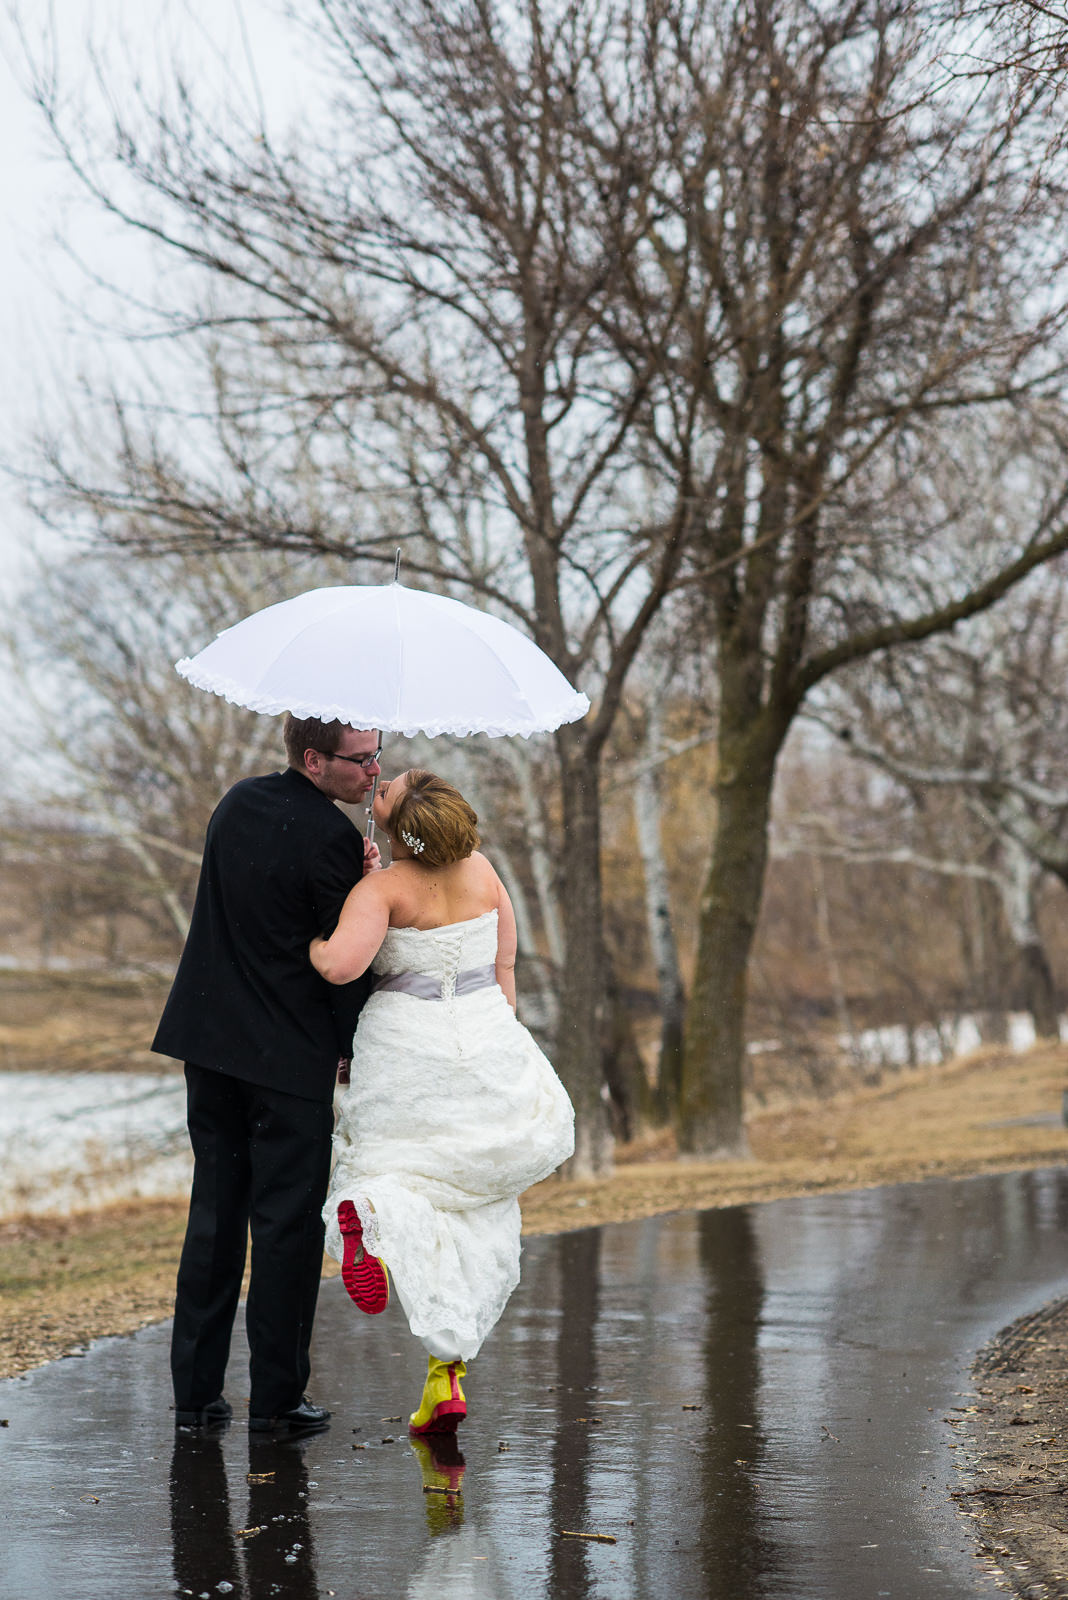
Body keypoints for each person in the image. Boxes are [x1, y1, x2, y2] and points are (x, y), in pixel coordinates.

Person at [309, 768, 574, 1435]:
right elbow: (506, 962)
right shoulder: (483, 873)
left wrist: (312, 945)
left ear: (399, 829)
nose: (376, 787)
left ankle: (363, 1214)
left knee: (390, 1167)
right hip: (485, 1035)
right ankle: (447, 1366)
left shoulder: (383, 889)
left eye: (384, 791)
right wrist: (502, 1037)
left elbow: (342, 965)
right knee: (477, 1198)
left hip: (406, 1046)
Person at [153, 716, 382, 1435]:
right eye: (360, 761)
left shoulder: (235, 802)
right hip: (286, 1062)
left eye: (379, 758)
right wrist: (352, 1048)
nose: (373, 772)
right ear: (314, 760)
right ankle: (278, 1402)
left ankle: (196, 1398)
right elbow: (345, 968)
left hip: (210, 1047)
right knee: (283, 1231)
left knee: (215, 1219)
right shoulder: (333, 839)